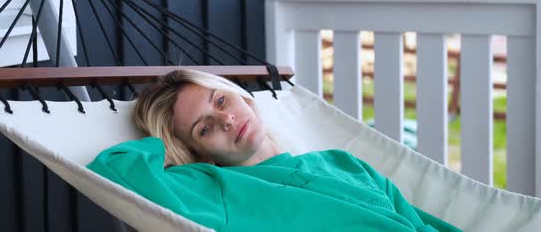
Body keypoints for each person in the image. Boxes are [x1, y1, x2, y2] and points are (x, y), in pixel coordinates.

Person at [88, 69, 461, 232]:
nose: (226, 121)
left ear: (243, 98)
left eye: (221, 101)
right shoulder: (215, 187)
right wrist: (164, 147)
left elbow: (422, 222)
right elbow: (114, 168)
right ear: (195, 153)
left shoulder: (340, 162)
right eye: (204, 128)